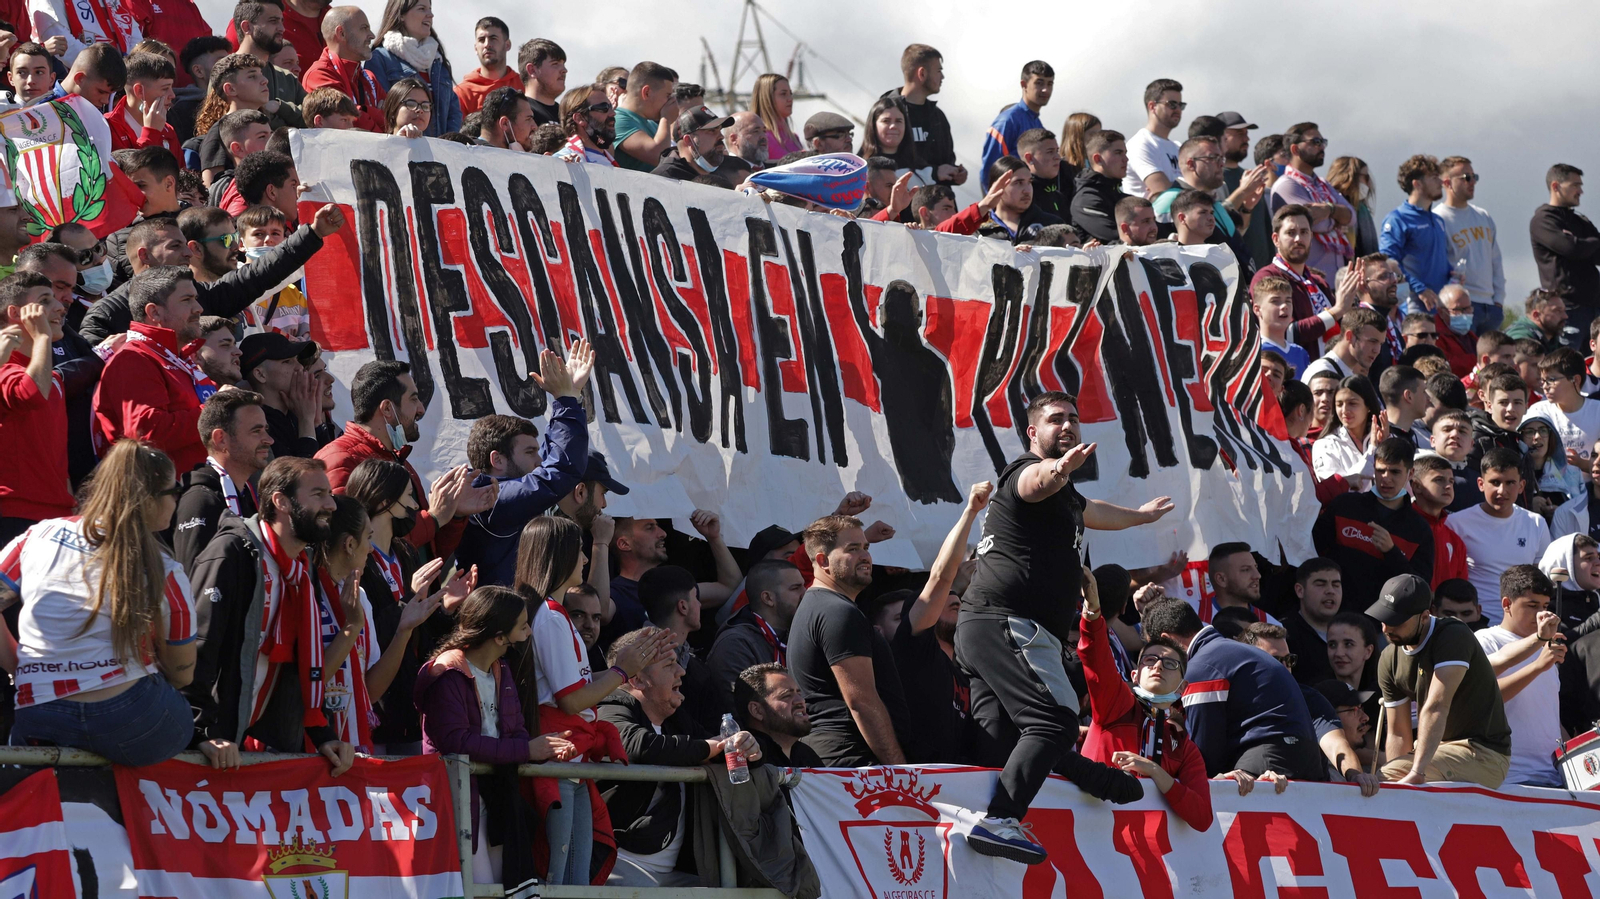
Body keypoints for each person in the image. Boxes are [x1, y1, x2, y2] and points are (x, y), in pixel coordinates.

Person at [957, 391, 1176, 863]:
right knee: (1054, 719)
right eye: (1056, 419)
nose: (1069, 424)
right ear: (1033, 432)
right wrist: (1058, 469)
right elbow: (1036, 481)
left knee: (1007, 736)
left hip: (984, 628)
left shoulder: (1069, 500)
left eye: (1074, 418)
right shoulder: (1022, 475)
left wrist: (1141, 516)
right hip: (1007, 623)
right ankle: (1000, 820)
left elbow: (1092, 511)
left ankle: (974, 833)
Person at [0, 440, 195, 763]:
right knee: (181, 722)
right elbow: (182, 673)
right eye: (173, 490)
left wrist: (18, 666)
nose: (177, 499)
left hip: (38, 710)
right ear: (148, 501)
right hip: (129, 720)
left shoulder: (39, 536)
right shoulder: (165, 569)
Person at [511, 516, 671, 886]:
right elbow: (570, 700)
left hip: (573, 759)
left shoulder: (555, 615)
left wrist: (627, 665)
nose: (584, 559)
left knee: (576, 878)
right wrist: (621, 672)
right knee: (562, 878)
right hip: (560, 756)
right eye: (580, 550)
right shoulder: (549, 617)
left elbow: (576, 687)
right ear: (560, 555)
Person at [185, 456, 355, 774]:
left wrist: (322, 734)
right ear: (281, 502)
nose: (331, 504)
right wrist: (199, 735)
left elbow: (296, 665)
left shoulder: (303, 570)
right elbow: (198, 649)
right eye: (318, 494)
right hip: (209, 752)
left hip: (244, 752)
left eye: (329, 494)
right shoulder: (233, 553)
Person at [415, 585, 578, 885]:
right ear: (499, 636)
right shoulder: (445, 673)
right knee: (481, 888)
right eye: (523, 625)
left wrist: (534, 748)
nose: (529, 631)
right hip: (461, 800)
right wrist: (527, 751)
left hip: (498, 798)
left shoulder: (500, 668)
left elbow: (517, 732)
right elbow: (456, 742)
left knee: (504, 886)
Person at [597, 625, 762, 889]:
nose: (682, 671)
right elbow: (637, 746)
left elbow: (718, 749)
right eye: (670, 664)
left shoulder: (677, 720)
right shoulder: (611, 705)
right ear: (637, 680)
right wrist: (709, 748)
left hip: (673, 874)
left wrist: (747, 748)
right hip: (620, 863)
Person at [78, 204, 341, 346]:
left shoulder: (203, 295)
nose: (188, 254)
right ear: (145, 255)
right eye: (175, 246)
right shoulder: (107, 314)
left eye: (186, 244)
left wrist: (313, 233)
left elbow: (260, 274)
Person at [1079, 570, 1219, 832]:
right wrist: (1093, 612)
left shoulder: (1185, 748)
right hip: (1092, 837)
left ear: (1183, 685)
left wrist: (1157, 773)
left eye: (1169, 663)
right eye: (1149, 660)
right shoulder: (1116, 703)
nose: (1157, 667)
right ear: (1135, 674)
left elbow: (1202, 818)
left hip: (1143, 862)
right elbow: (1095, 655)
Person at [1141, 598, 1324, 780]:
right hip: (1307, 762)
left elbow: (1206, 756)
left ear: (1167, 640)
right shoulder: (1232, 653)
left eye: (1157, 652)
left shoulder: (1202, 667)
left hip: (1266, 761)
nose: (1159, 664)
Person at [457, 342, 591, 586]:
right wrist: (565, 400)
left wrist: (571, 394)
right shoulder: (490, 499)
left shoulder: (499, 494)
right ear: (497, 459)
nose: (539, 460)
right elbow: (560, 470)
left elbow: (551, 464)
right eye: (530, 452)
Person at [785, 514, 912, 767]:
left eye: (865, 547)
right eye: (852, 549)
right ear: (822, 560)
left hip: (842, 760)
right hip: (852, 764)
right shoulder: (837, 612)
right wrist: (898, 769)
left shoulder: (822, 606)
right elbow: (861, 701)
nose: (865, 556)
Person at [1369, 573, 1511, 786]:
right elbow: (1398, 733)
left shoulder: (1453, 635)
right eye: (1384, 618)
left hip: (1484, 754)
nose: (1387, 628)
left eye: (1397, 621)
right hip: (1437, 751)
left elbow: (1437, 705)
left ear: (1425, 616)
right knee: (1390, 777)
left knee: (1388, 777)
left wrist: (1416, 771)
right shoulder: (1389, 657)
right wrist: (1399, 781)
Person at [890, 481, 990, 764]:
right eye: (946, 601)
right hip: (918, 783)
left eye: (958, 600)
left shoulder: (965, 670)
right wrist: (971, 512)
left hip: (959, 782)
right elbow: (940, 577)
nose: (955, 601)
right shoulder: (915, 651)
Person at [1239, 623, 1379, 794]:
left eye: (1288, 660)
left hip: (1314, 803)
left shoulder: (1309, 699)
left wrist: (1355, 775)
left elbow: (1336, 745)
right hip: (1251, 802)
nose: (1285, 668)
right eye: (1275, 661)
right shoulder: (1231, 700)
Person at [1314, 436, 1435, 610]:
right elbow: (1312, 551)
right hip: (1331, 614)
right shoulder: (1345, 506)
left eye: (1395, 472)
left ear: (1410, 473)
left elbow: (1420, 589)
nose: (1386, 478)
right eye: (1380, 470)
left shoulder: (1419, 530)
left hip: (1381, 625)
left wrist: (1391, 552)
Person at [1472, 565, 1566, 787]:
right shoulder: (1485, 640)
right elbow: (1484, 698)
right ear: (1507, 604)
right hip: (1508, 778)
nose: (1542, 614)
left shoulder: (1548, 648)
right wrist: (1537, 667)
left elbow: (1548, 713)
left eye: (1545, 606)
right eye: (1532, 605)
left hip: (1554, 777)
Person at [1447, 448, 1552, 626]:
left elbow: (1541, 580)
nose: (1502, 490)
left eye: (1510, 482)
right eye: (1495, 482)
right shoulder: (1456, 523)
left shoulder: (1536, 523)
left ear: (1521, 486)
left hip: (1522, 626)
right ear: (1480, 484)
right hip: (1474, 626)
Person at [0, 271, 69, 544]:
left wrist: (69, 498)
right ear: (16, 313)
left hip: (56, 511)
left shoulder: (50, 377)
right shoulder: (5, 366)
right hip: (15, 512)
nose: (60, 307)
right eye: (45, 300)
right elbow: (30, 395)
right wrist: (41, 338)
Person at [606, 513, 739, 648]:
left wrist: (713, 537)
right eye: (650, 528)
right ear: (624, 543)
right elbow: (601, 611)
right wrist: (599, 544)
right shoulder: (615, 595)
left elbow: (730, 588)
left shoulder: (671, 586)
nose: (663, 533)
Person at [170, 390, 270, 569]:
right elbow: (196, 585)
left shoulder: (245, 495)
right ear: (220, 439)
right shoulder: (199, 501)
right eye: (256, 431)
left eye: (266, 430)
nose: (269, 440)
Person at [1252, 206, 1358, 360]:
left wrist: (1351, 304)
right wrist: (1337, 310)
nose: (1298, 239)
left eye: (1304, 232)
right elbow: (1287, 333)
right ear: (1276, 239)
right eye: (1290, 233)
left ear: (1311, 237)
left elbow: (1340, 326)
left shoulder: (1318, 282)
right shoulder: (1267, 277)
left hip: (1330, 372)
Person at [1266, 122, 1354, 279]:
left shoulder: (1323, 184)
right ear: (1295, 149)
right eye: (1315, 142)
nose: (1322, 147)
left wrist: (1329, 210)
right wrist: (1336, 218)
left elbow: (1351, 217)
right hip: (1307, 281)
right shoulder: (1287, 185)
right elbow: (1315, 223)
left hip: (1334, 282)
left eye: (1323, 142)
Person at [1429, 156, 1506, 332]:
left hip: (1490, 306)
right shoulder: (1438, 219)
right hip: (1462, 306)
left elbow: (1496, 260)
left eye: (1474, 177)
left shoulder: (1483, 216)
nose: (1472, 182)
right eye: (1466, 178)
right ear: (1447, 183)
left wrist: (1499, 301)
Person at [361, 0, 461, 136]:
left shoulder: (438, 61)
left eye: (430, 9)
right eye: (422, 9)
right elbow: (380, 113)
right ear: (401, 15)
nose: (430, 15)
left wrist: (447, 145)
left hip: (439, 153)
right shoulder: (380, 59)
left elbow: (453, 112)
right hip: (400, 150)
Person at [1530, 164, 1599, 352]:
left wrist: (1581, 242)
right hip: (1567, 309)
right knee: (1566, 365)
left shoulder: (1579, 220)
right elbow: (1570, 248)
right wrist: (1583, 243)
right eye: (1575, 185)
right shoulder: (1543, 220)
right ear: (1556, 186)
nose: (1581, 191)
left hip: (1593, 306)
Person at [706, 559, 804, 690]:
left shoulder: (799, 634)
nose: (806, 593)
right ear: (768, 598)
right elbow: (739, 706)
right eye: (796, 588)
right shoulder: (735, 645)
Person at [1380, 155, 1451, 316]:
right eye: (1434, 178)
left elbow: (1436, 259)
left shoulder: (1438, 220)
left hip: (1440, 307)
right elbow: (1389, 261)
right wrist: (1419, 288)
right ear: (1417, 184)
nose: (1441, 182)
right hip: (1413, 307)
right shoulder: (1397, 219)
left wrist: (1452, 273)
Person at [885, 44, 962, 186]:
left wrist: (955, 173)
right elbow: (883, 166)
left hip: (938, 204)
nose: (943, 76)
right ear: (922, 74)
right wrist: (934, 172)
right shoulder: (886, 114)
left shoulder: (938, 117)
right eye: (938, 71)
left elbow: (946, 162)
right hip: (903, 205)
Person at [300, 6, 385, 133]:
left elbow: (393, 117)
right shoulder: (319, 75)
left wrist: (363, 111)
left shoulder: (369, 77)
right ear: (341, 33)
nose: (372, 35)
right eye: (364, 28)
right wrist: (376, 113)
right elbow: (346, 121)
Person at [239, 330, 321, 459]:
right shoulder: (256, 426)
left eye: (297, 360)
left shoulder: (296, 414)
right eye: (287, 361)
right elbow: (298, 476)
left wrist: (314, 422)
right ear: (260, 374)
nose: (300, 367)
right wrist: (306, 421)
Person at [978, 60, 1052, 190]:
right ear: (1024, 84)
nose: (1045, 89)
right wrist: (994, 207)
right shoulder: (1007, 121)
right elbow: (989, 172)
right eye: (1039, 83)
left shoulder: (1037, 123)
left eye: (1050, 84)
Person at [733, 663, 821, 767]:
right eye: (787, 695)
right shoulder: (746, 760)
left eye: (799, 694)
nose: (801, 701)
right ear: (757, 710)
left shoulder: (806, 755)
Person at [1410, 452, 1471, 589]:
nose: (1448, 486)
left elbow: (1460, 589)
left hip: (1442, 610)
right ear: (1417, 486)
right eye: (1439, 480)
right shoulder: (1400, 526)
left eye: (1451, 481)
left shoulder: (1455, 541)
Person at [105, 51, 182, 159]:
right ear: (140, 91)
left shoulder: (168, 129)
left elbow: (182, 173)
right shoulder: (107, 127)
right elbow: (133, 173)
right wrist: (151, 133)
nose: (172, 95)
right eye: (165, 89)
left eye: (171, 88)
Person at [233, 0, 307, 111]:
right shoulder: (226, 73)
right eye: (273, 21)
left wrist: (281, 108)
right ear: (247, 27)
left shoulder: (287, 78)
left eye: (281, 22)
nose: (282, 28)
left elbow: (315, 118)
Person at [1529, 347, 1600, 457]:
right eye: (1543, 381)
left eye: (1551, 380)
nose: (1545, 387)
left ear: (1575, 380)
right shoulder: (1538, 411)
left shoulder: (1597, 411)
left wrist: (1584, 465)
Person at [1311, 374, 1383, 481]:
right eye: (1339, 404)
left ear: (1368, 406)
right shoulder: (1325, 445)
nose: (1344, 410)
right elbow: (1338, 487)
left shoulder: (1385, 437)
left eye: (1352, 403)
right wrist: (1372, 451)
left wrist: (1386, 446)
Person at [1282, 558, 1342, 685]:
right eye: (1321, 584)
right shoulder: (1284, 635)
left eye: (1336, 585)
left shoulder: (1354, 631)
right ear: (1300, 590)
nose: (1330, 591)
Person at [975, 156, 1059, 245]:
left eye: (1030, 182)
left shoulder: (1052, 226)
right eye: (1018, 183)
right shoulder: (978, 230)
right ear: (997, 187)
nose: (1027, 190)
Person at [1121, 78, 1182, 198]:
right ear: (1152, 106)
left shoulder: (1178, 147)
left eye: (1181, 105)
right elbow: (1165, 193)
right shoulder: (1140, 144)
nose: (1178, 110)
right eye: (1172, 104)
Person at [613, 61, 677, 172]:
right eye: (667, 95)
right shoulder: (618, 120)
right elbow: (659, 156)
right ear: (646, 92)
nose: (670, 101)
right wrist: (666, 118)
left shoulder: (652, 124)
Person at [1069, 129, 1127, 244]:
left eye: (1125, 153)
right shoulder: (1086, 199)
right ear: (1098, 159)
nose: (1126, 159)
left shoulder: (1122, 196)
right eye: (1118, 153)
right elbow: (1115, 236)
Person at [1197, 542, 1278, 625]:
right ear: (1221, 579)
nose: (1257, 575)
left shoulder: (1271, 624)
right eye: (1245, 569)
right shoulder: (1191, 616)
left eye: (1255, 567)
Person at [454, 17, 518, 117]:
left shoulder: (523, 85)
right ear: (475, 48)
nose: (487, 45)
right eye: (481, 40)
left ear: (507, 45)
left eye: (493, 39)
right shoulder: (463, 92)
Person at [652, 106, 732, 182]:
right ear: (688, 140)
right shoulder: (662, 179)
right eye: (712, 130)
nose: (721, 136)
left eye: (720, 130)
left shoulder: (723, 175)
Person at [552, 82, 616, 166]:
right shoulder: (564, 160)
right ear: (580, 118)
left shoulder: (609, 161)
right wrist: (557, 165)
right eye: (604, 108)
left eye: (611, 107)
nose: (613, 113)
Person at [748, 71, 799, 161]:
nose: (790, 99)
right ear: (767, 98)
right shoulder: (761, 138)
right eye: (783, 94)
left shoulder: (794, 138)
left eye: (790, 94)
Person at [1379, 364, 1431, 449]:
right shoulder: (1379, 439)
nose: (1428, 398)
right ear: (1409, 396)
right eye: (1424, 391)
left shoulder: (1411, 437)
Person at [516, 37, 564, 125]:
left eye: (563, 64)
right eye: (555, 64)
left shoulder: (566, 114)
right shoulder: (518, 112)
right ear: (532, 70)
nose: (564, 70)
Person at [477, 85, 535, 152]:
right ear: (505, 123)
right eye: (528, 119)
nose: (535, 127)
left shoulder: (469, 152)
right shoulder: (473, 157)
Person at [1, 42, 56, 107]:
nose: (30, 81)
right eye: (21, 72)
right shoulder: (2, 112)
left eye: (39, 72)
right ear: (11, 78)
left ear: (51, 79)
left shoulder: (65, 114)